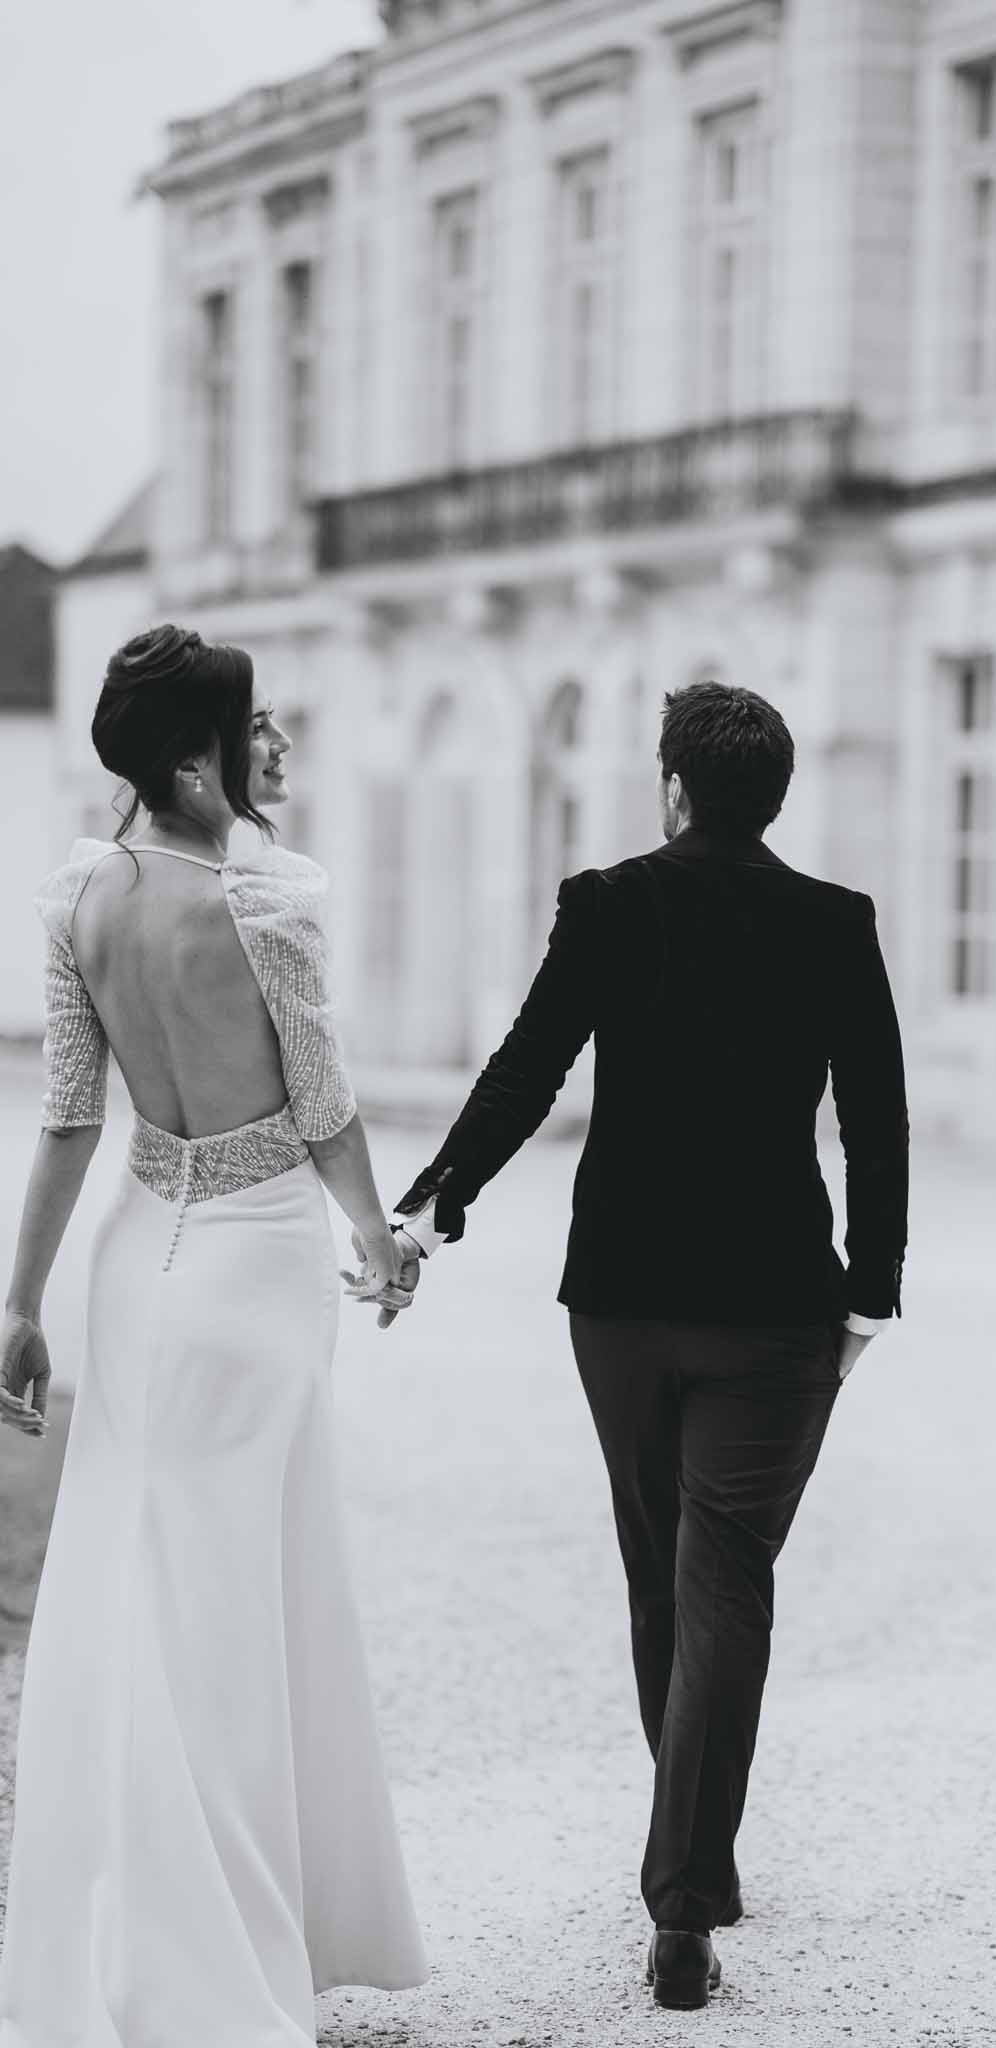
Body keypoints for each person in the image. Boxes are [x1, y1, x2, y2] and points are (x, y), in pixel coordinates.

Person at [370, 679, 909, 2010]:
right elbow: (877, 1122)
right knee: (725, 1575)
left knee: (661, 1577)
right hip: (775, 1304)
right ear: (770, 796)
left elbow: (528, 1064)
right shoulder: (834, 924)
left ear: (670, 787)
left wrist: (433, 1205)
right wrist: (869, 1296)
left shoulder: (610, 902)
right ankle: (685, 1894)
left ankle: (690, 1859)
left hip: (618, 1297)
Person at [0, 625, 428, 2046]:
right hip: (251, 1272)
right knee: (245, 1607)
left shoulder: (78, 900)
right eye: (258, 731)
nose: (277, 748)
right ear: (193, 762)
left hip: (131, 1266)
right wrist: (375, 1235)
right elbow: (320, 1098)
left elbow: (71, 1114)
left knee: (131, 1599)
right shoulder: (268, 900)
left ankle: (125, 1935)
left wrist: (16, 1302)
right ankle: (224, 1958)